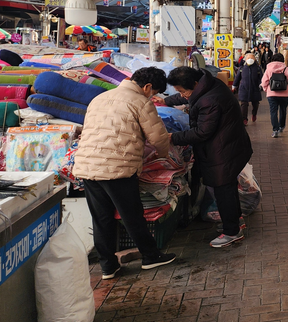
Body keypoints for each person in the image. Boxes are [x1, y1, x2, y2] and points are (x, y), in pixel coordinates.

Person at [74, 67, 176, 279]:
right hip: (118, 169)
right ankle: (150, 256)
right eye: (154, 92)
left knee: (101, 218)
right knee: (132, 215)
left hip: (88, 167)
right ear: (147, 87)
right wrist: (164, 155)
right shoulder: (140, 102)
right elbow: (158, 138)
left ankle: (108, 267)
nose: (153, 96)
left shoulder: (100, 98)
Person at [166, 67, 253, 247]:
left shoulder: (209, 100)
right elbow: (188, 96)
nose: (182, 95)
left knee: (223, 190)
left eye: (183, 91)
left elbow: (202, 132)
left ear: (195, 84)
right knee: (227, 187)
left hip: (222, 151)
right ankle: (235, 222)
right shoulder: (210, 85)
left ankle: (232, 232)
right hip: (229, 146)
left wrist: (173, 137)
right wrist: (165, 101)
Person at [261, 52, 288, 138]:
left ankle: (275, 130)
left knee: (273, 111)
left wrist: (266, 90)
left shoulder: (269, 69)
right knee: (283, 110)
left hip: (272, 95)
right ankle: (281, 126)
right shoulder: (286, 69)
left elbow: (264, 81)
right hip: (285, 94)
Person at [233, 51, 263, 125]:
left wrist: (261, 84)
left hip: (255, 88)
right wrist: (234, 85)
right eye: (248, 58)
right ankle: (244, 119)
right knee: (244, 104)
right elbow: (237, 78)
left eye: (251, 58)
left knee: (255, 103)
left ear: (255, 59)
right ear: (245, 59)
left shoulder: (258, 68)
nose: (250, 59)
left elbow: (261, 78)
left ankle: (254, 114)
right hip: (244, 89)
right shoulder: (241, 68)